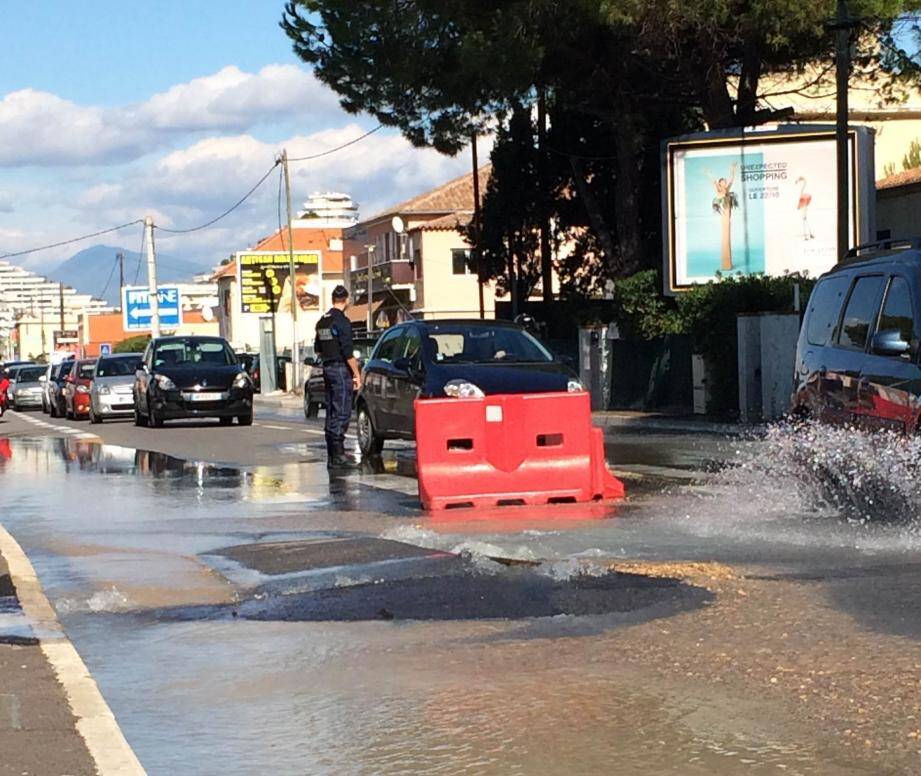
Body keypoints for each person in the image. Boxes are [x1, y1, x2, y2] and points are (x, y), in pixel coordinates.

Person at [314, 285, 362, 468]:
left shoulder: (322, 321)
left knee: (331, 412)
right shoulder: (341, 321)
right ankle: (339, 455)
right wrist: (357, 374)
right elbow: (348, 353)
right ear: (346, 300)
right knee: (342, 411)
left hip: (327, 368)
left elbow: (318, 349)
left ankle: (332, 456)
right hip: (341, 369)